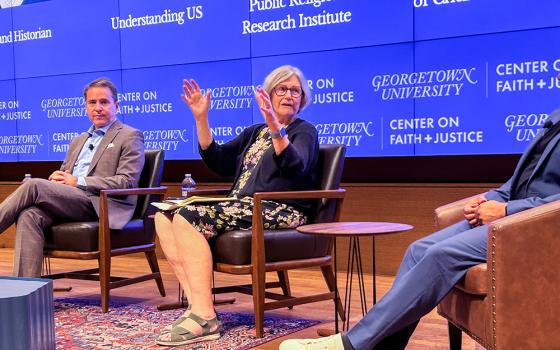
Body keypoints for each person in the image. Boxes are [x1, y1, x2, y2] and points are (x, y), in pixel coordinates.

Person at [280, 106, 560, 350]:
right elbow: (519, 181)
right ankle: (381, 345)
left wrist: (507, 210)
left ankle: (353, 345)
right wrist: (489, 199)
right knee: (419, 249)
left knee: (441, 255)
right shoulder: (554, 119)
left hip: (536, 228)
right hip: (510, 218)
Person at [154, 65, 319, 347]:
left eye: (295, 90)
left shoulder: (304, 131)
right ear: (269, 94)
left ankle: (204, 317)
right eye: (282, 89)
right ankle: (200, 308)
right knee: (163, 215)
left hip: (280, 210)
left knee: (189, 216)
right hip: (242, 207)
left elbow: (295, 165)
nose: (289, 95)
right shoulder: (255, 132)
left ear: (302, 98)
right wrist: (201, 118)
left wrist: (276, 127)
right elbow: (218, 160)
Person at [0, 77, 145, 278]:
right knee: (29, 215)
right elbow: (66, 172)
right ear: (86, 107)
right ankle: (26, 291)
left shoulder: (130, 135)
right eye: (92, 103)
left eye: (104, 102)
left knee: (33, 186)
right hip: (71, 200)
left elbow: (126, 180)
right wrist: (58, 178)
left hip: (100, 203)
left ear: (116, 105)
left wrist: (79, 181)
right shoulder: (78, 141)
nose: (98, 108)